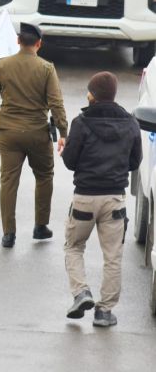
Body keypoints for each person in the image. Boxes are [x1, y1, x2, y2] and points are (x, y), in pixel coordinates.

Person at [61, 72, 141, 327]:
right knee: (113, 256)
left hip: (84, 197)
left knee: (74, 246)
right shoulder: (130, 123)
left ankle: (81, 292)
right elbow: (135, 162)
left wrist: (66, 151)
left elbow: (70, 161)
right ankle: (104, 312)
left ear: (92, 95)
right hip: (114, 199)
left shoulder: (81, 122)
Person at [0, 23, 68, 248]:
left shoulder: (3, 65)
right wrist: (63, 131)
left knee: (8, 180)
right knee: (44, 176)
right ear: (39, 44)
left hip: (8, 132)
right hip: (37, 132)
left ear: (18, 41)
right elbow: (56, 102)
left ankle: (8, 233)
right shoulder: (46, 68)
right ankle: (40, 226)